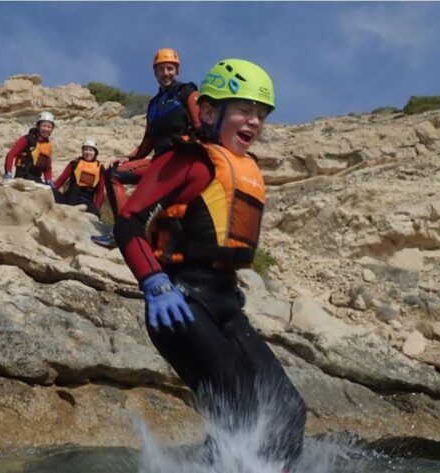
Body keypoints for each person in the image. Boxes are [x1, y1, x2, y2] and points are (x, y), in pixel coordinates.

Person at [114, 59, 306, 472]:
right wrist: (154, 283)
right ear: (207, 112)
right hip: (180, 303)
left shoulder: (246, 168)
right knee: (238, 408)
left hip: (225, 305)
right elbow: (128, 222)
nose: (254, 121)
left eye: (261, 114)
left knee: (289, 412)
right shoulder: (188, 159)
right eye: (243, 110)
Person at [91, 48, 201, 248]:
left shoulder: (188, 93)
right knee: (113, 172)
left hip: (180, 162)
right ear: (155, 73)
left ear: (176, 70)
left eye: (170, 68)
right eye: (161, 69)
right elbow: (147, 142)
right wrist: (127, 157)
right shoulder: (153, 105)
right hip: (159, 164)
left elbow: (202, 127)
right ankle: (122, 233)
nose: (165, 73)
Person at [51, 138, 106, 216]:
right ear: (82, 151)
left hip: (87, 200)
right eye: (86, 150)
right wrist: (51, 188)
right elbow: (60, 181)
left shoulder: (100, 168)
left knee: (96, 214)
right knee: (54, 191)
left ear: (95, 153)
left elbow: (100, 191)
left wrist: (97, 208)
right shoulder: (74, 164)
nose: (88, 152)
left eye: (91, 150)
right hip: (71, 196)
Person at [4, 111, 56, 185]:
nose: (46, 129)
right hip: (22, 177)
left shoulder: (48, 146)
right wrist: (8, 172)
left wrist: (49, 180)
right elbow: (11, 154)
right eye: (44, 126)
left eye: (49, 127)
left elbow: (47, 168)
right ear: (38, 126)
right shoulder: (27, 139)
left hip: (36, 179)